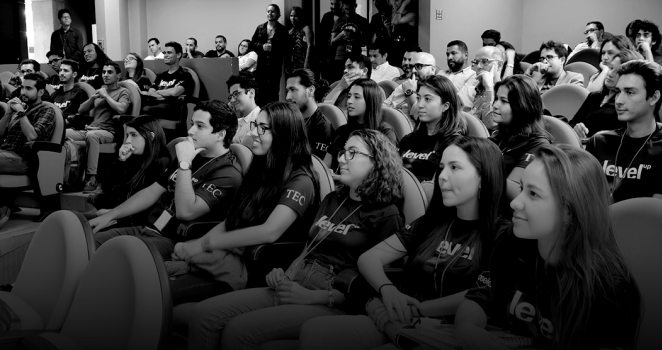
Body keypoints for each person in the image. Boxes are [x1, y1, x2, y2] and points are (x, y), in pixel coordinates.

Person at [186, 128, 404, 350]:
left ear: (376, 162)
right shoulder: (333, 198)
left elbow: (372, 287)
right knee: (203, 315)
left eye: (352, 152)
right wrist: (285, 273)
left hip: (333, 297)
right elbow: (308, 248)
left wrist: (314, 297)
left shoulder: (387, 214)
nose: (341, 158)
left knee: (238, 331)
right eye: (343, 151)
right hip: (296, 280)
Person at [298, 135, 507, 350]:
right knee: (313, 332)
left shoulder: (501, 234)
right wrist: (388, 291)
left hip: (445, 328)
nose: (442, 177)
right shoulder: (431, 223)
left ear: (484, 176)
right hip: (402, 316)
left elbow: (482, 293)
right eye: (442, 167)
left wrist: (418, 309)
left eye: (455, 167)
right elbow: (369, 258)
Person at [453, 145, 641, 350]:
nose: (515, 202)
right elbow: (478, 300)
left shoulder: (609, 287)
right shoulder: (510, 241)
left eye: (533, 194)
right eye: (522, 188)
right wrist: (467, 327)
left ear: (570, 210)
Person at [171, 102, 320, 305]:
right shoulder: (262, 166)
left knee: (163, 294)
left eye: (264, 128)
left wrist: (204, 244)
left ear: (284, 135)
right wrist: (197, 247)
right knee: (156, 279)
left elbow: (269, 232)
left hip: (255, 268)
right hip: (227, 259)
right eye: (255, 125)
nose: (254, 133)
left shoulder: (301, 180)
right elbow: (232, 220)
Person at [88, 100, 241, 258]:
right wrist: (111, 215)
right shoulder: (191, 154)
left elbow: (185, 212)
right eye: (192, 123)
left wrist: (184, 164)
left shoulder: (228, 173)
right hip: (146, 227)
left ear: (221, 134)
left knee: (116, 256)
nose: (191, 131)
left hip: (172, 240)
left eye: (200, 126)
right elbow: (151, 192)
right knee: (89, 243)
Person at [586, 60, 662, 203]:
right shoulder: (598, 142)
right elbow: (585, 199)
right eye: (618, 92)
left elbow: (658, 211)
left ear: (654, 97)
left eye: (629, 92)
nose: (618, 100)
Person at [88, 115, 171, 224]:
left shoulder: (161, 163)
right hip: (114, 213)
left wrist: (112, 214)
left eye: (134, 135)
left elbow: (143, 204)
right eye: (127, 135)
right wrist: (121, 160)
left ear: (151, 137)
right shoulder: (134, 158)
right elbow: (107, 187)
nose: (127, 141)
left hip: (129, 221)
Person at [0, 73, 56, 225]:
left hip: (24, 159)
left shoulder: (46, 110)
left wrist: (20, 113)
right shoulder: (18, 110)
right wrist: (8, 113)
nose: (23, 92)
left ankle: (4, 207)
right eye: (22, 87)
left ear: (40, 92)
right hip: (5, 155)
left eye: (29, 88)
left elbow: (32, 136)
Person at [67, 61, 131, 192]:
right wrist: (92, 98)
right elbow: (81, 110)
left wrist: (106, 96)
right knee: (62, 133)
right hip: (90, 129)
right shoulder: (99, 91)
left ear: (118, 76)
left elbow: (122, 110)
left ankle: (91, 179)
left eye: (110, 72)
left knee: (92, 136)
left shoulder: (123, 92)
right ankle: (69, 174)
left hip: (108, 132)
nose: (105, 75)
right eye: (103, 72)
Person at [490, 75, 551, 201]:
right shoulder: (498, 136)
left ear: (523, 106)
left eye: (504, 101)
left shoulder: (538, 145)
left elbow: (515, 191)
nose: (495, 105)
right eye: (496, 98)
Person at [399, 75, 467, 182]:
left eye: (427, 99)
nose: (420, 105)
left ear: (445, 106)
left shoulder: (455, 145)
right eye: (418, 98)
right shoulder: (407, 140)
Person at [570, 50, 643, 139]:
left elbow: (637, 131)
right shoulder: (594, 96)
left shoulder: (629, 101)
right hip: (583, 145)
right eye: (611, 68)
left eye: (618, 72)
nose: (610, 74)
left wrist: (611, 134)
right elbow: (572, 122)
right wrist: (576, 127)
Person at [328, 79, 397, 170]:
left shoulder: (384, 132)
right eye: (349, 96)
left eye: (356, 97)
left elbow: (386, 170)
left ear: (370, 101)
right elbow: (325, 167)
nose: (349, 101)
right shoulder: (341, 131)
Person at [286, 68, 335, 159]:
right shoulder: (290, 120)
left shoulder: (323, 127)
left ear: (311, 90)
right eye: (287, 91)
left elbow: (315, 167)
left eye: (293, 90)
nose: (288, 97)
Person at [142, 41, 196, 121]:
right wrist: (165, 93)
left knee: (146, 109)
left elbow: (174, 92)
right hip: (156, 104)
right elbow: (151, 92)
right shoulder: (161, 75)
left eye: (169, 53)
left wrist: (157, 92)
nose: (165, 55)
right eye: (165, 53)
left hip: (173, 108)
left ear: (178, 55)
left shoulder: (185, 75)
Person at [252, 4, 289, 105]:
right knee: (259, 91)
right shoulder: (260, 28)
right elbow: (253, 44)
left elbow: (286, 48)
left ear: (278, 14)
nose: (270, 13)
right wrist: (262, 47)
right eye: (268, 11)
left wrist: (275, 48)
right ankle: (260, 114)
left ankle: (273, 115)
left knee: (273, 91)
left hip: (275, 64)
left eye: (272, 11)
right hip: (261, 65)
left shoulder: (283, 30)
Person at [384, 52, 438, 122]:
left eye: (419, 66)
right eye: (412, 67)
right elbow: (384, 106)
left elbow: (419, 117)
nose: (413, 71)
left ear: (432, 69)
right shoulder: (406, 85)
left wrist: (409, 92)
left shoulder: (436, 90)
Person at [330, 0, 371, 82]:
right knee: (338, 82)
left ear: (355, 6)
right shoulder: (339, 20)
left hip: (355, 56)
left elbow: (367, 41)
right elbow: (332, 42)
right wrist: (341, 34)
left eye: (350, 9)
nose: (348, 11)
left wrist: (357, 35)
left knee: (354, 81)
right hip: (340, 57)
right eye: (346, 9)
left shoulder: (362, 21)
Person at [470, 46, 504, 130]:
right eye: (476, 62)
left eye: (484, 62)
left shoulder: (506, 92)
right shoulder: (476, 88)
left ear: (499, 65)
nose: (478, 66)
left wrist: (489, 89)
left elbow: (491, 125)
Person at [439, 40, 478, 109]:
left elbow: (459, 103)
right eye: (447, 54)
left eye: (453, 53)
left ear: (466, 55)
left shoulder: (473, 75)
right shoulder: (441, 74)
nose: (449, 57)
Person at [227, 72, 260, 145]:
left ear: (251, 92)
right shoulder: (237, 122)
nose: (232, 100)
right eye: (231, 96)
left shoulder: (260, 120)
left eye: (236, 94)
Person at [51, 59, 88, 125]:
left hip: (69, 127)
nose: (62, 73)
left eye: (65, 71)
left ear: (74, 74)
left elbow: (81, 117)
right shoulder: (54, 95)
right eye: (60, 70)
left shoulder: (80, 93)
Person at [389, 0, 417, 69]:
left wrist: (403, 4)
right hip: (395, 47)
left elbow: (396, 22)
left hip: (405, 48)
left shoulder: (411, 14)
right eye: (393, 0)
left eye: (397, 0)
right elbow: (393, 30)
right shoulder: (397, 14)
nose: (394, 3)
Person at [320, 0, 345, 80]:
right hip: (327, 57)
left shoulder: (346, 17)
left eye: (337, 4)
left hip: (341, 57)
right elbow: (321, 37)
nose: (333, 7)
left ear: (342, 4)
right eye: (332, 4)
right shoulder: (327, 16)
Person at [287, 7, 315, 75]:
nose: (293, 18)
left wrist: (307, 62)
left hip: (305, 60)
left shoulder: (306, 28)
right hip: (294, 63)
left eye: (295, 16)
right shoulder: (290, 31)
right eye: (291, 16)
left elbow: (310, 46)